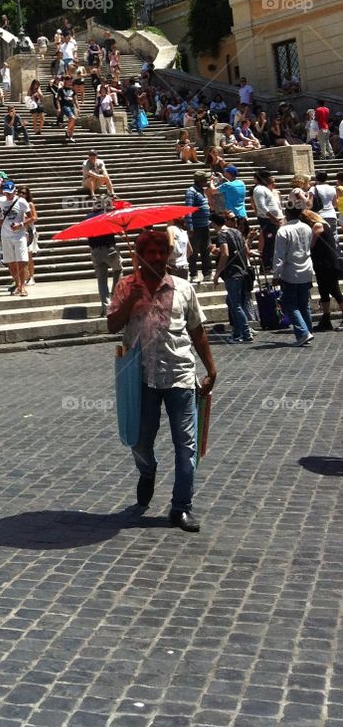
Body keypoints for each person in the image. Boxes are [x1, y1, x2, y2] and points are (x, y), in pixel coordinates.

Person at [107, 228, 217, 533]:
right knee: (140, 441)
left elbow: (197, 330)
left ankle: (181, 507)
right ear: (139, 256)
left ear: (168, 254)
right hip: (140, 379)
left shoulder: (183, 288)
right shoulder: (125, 286)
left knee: (186, 445)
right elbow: (111, 324)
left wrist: (211, 367)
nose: (157, 257)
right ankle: (147, 470)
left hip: (180, 374)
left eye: (161, 251)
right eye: (150, 252)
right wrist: (130, 302)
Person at [273, 192, 316, 346]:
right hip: (306, 269)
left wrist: (275, 273)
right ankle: (308, 330)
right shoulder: (307, 227)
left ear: (287, 213)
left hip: (291, 271)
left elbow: (279, 255)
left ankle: (303, 332)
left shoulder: (283, 231)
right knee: (303, 303)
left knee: (289, 303)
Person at [211, 211, 254, 343]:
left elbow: (225, 254)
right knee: (231, 302)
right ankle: (237, 332)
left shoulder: (222, 235)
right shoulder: (237, 232)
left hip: (232, 273)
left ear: (213, 223)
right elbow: (246, 251)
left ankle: (246, 333)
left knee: (235, 305)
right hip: (242, 270)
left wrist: (217, 273)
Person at [303, 204, 343, 331]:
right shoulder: (321, 225)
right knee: (323, 292)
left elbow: (311, 244)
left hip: (327, 264)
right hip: (321, 264)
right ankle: (326, 319)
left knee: (335, 291)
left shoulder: (318, 226)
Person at [84, 195, 122, 315]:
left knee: (101, 281)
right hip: (109, 249)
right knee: (118, 270)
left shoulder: (88, 217)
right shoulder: (108, 216)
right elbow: (119, 232)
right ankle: (114, 298)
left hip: (95, 251)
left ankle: (106, 308)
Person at [0, 181, 30, 297]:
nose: (8, 195)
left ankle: (23, 286)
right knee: (10, 262)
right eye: (6, 193)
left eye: (10, 193)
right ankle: (18, 284)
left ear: (14, 191)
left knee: (21, 261)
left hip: (19, 235)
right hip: (5, 234)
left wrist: (20, 225)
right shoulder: (0, 201)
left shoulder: (21, 202)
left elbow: (33, 217)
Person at [252, 168, 283, 272]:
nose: (271, 178)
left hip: (272, 220)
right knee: (269, 242)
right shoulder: (259, 189)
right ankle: (266, 265)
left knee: (273, 242)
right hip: (267, 220)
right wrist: (272, 217)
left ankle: (271, 264)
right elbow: (261, 206)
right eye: (268, 176)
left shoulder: (265, 189)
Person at [184, 171, 213, 284]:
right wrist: (190, 226)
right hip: (195, 227)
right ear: (200, 181)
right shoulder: (191, 192)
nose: (207, 181)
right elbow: (188, 209)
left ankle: (207, 273)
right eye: (205, 180)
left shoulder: (203, 191)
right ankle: (194, 274)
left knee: (206, 250)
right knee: (194, 252)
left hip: (205, 225)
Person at [218, 165, 249, 236]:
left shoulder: (227, 185)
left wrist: (211, 181)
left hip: (232, 216)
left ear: (229, 173)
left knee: (233, 237)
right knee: (242, 237)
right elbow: (232, 185)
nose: (223, 173)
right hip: (243, 214)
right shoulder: (241, 183)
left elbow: (213, 191)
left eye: (225, 172)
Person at [310, 170, 338, 244]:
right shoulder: (332, 188)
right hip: (331, 215)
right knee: (333, 236)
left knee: (320, 239)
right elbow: (335, 204)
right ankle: (336, 254)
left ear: (316, 178)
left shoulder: (313, 189)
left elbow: (309, 204)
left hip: (319, 215)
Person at [166, 217, 191, 282]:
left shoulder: (170, 229)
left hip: (173, 266)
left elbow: (171, 244)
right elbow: (190, 251)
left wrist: (165, 259)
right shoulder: (184, 232)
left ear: (173, 220)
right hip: (184, 266)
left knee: (173, 290)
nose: (166, 221)